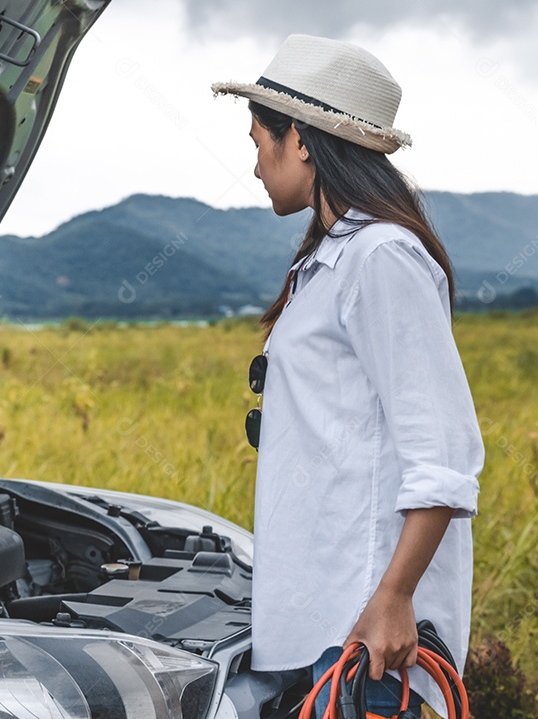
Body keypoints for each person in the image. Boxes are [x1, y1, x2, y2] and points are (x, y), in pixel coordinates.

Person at [212, 35, 484, 718]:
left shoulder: (382, 257)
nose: (254, 166)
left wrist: (392, 600)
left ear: (300, 139)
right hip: (328, 615)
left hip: (364, 628)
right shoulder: (336, 254)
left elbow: (443, 455)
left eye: (257, 142)